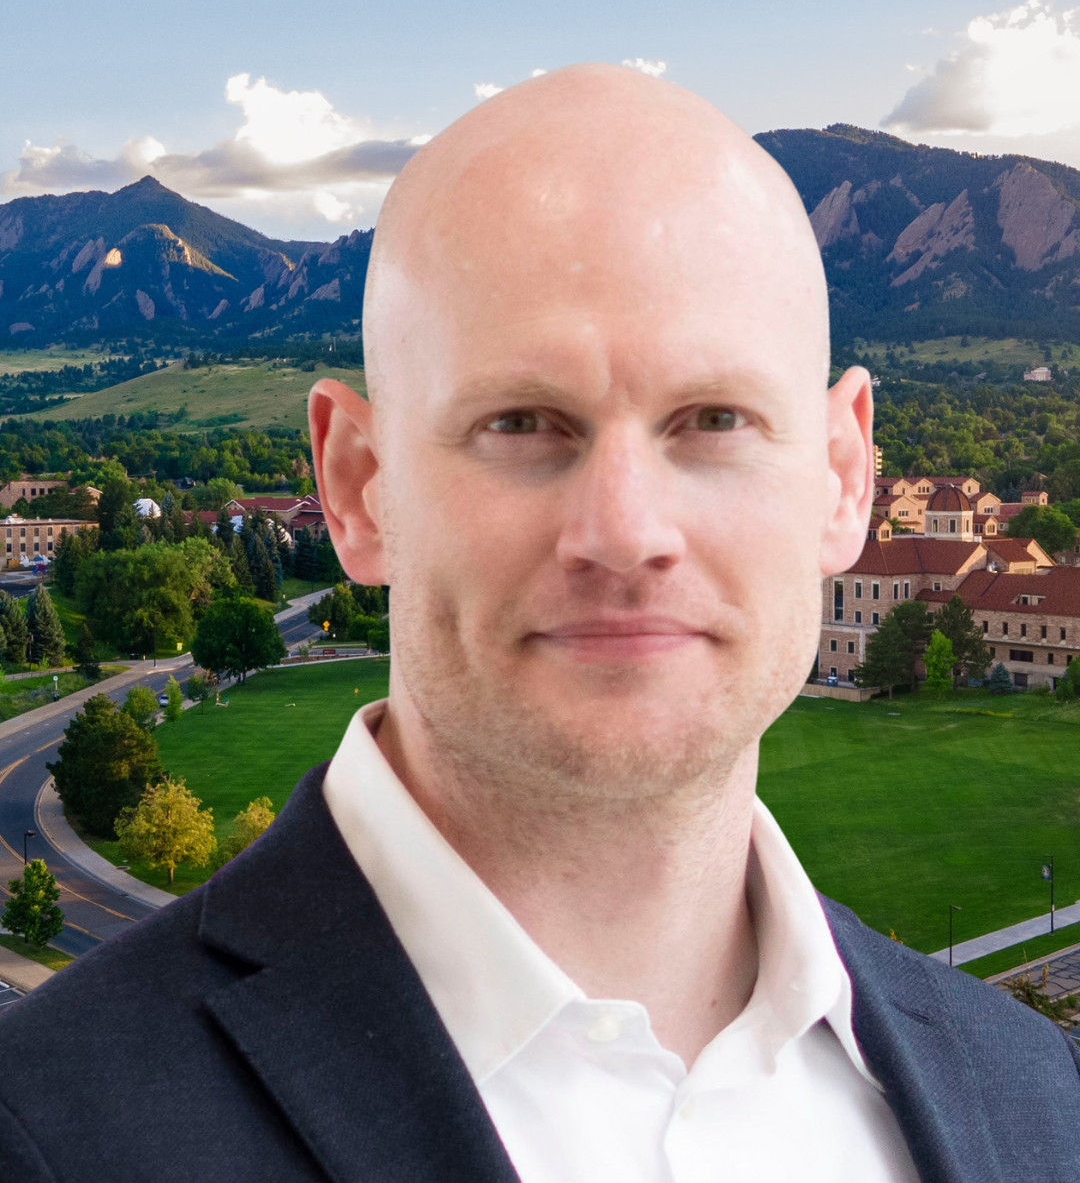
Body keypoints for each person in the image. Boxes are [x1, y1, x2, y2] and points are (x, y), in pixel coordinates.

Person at [0, 66, 1076, 1182]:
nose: (624, 531)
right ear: (358, 487)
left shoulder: (1030, 1095)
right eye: (522, 422)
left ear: (844, 479)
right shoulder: (45, 1129)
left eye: (713, 419)